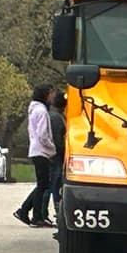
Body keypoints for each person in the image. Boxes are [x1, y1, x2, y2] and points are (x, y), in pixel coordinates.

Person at [14, 84, 56, 228]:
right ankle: (35, 215)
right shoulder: (42, 111)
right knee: (43, 184)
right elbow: (43, 135)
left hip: (36, 150)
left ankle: (25, 210)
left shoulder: (34, 110)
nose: (53, 96)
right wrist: (52, 148)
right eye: (51, 93)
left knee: (42, 184)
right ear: (45, 95)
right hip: (42, 151)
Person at [45, 90, 67, 228]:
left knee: (51, 185)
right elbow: (58, 139)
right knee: (54, 185)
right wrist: (62, 151)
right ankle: (57, 212)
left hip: (54, 155)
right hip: (56, 156)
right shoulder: (56, 118)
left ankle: (31, 210)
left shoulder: (56, 116)